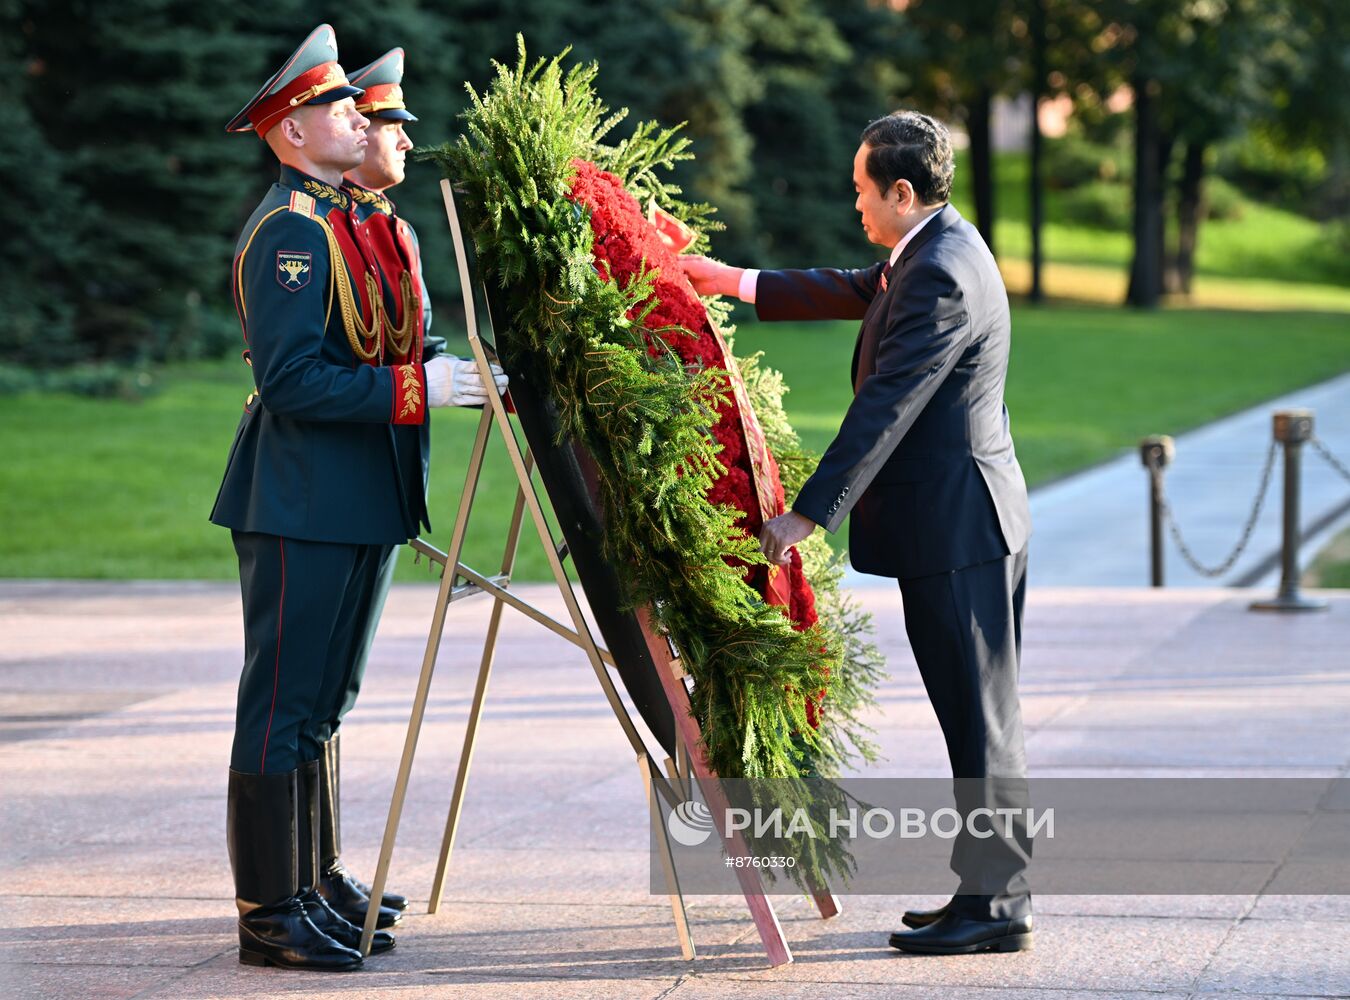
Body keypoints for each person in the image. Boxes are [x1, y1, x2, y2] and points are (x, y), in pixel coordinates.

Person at [683, 110, 1034, 955]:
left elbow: (891, 402)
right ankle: (982, 891)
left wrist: (809, 511)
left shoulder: (942, 271)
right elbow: (854, 286)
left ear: (901, 191)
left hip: (961, 526)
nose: (856, 207)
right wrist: (728, 279)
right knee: (972, 715)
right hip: (957, 522)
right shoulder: (933, 248)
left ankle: (997, 906)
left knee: (980, 720)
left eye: (861, 191)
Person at [212, 25, 503, 971]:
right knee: (282, 703)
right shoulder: (290, 233)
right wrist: (423, 389)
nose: (357, 117)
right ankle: (269, 910)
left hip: (362, 493)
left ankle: (311, 876)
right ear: (290, 132)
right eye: (336, 106)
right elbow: (294, 381)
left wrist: (440, 370)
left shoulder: (344, 220)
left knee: (325, 701)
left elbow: (380, 345)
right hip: (301, 498)